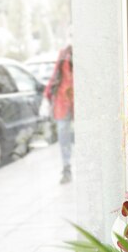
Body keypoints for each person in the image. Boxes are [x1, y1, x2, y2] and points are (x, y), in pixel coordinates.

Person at [44, 45, 74, 184]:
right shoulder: (65, 52)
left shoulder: (86, 51)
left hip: (79, 104)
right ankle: (66, 168)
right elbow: (56, 74)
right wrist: (48, 95)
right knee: (63, 137)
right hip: (63, 103)